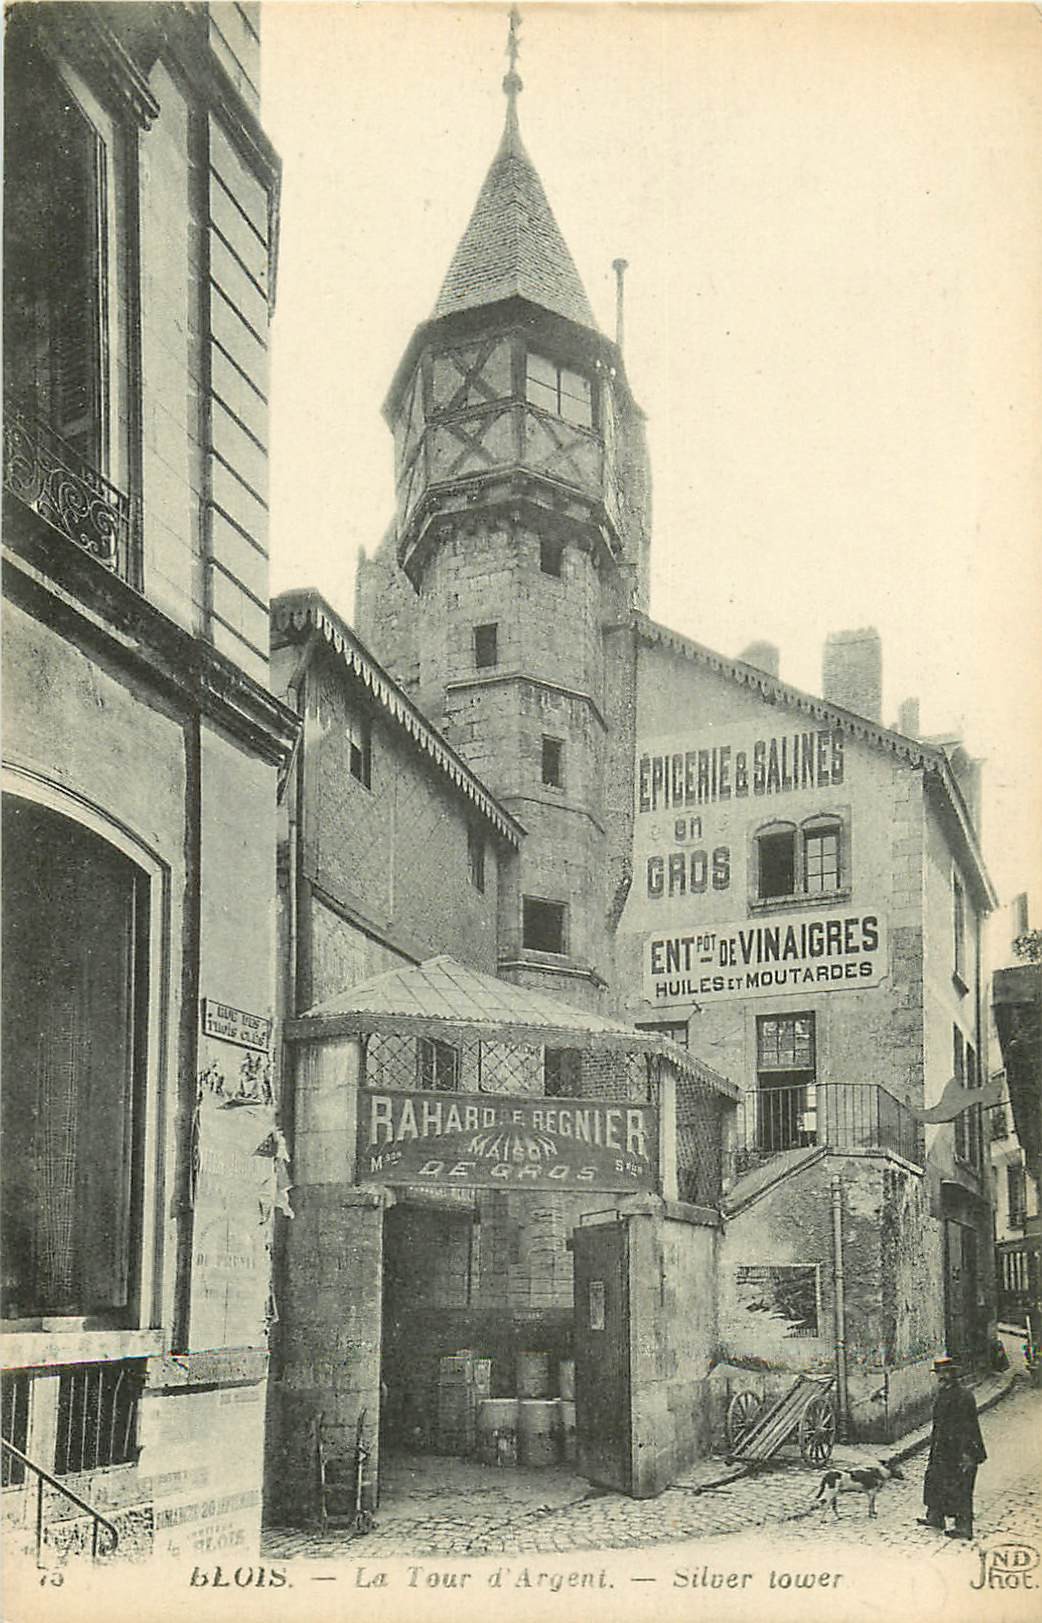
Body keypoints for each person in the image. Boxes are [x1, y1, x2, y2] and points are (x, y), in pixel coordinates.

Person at [917, 1355, 987, 1539]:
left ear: (953, 1373)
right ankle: (935, 1516)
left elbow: (968, 1427)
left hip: (960, 1449)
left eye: (945, 1372)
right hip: (942, 1447)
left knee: (961, 1486)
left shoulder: (963, 1396)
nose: (942, 1376)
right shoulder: (943, 1392)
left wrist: (967, 1454)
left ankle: (964, 1526)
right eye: (939, 1373)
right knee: (935, 1480)